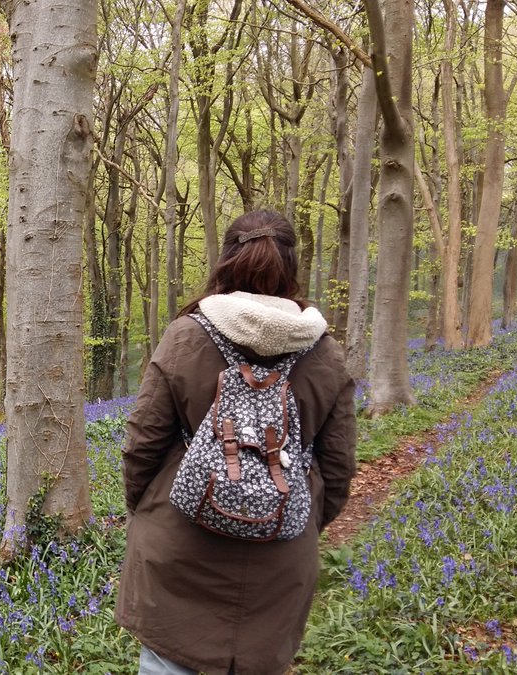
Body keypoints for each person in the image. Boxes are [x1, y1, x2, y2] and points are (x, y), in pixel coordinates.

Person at [113, 210, 357, 675]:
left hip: (178, 547)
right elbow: (340, 468)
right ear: (291, 266)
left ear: (225, 260)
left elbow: (141, 447)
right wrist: (297, 521)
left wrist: (151, 513)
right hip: (279, 561)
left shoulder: (186, 337)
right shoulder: (325, 354)